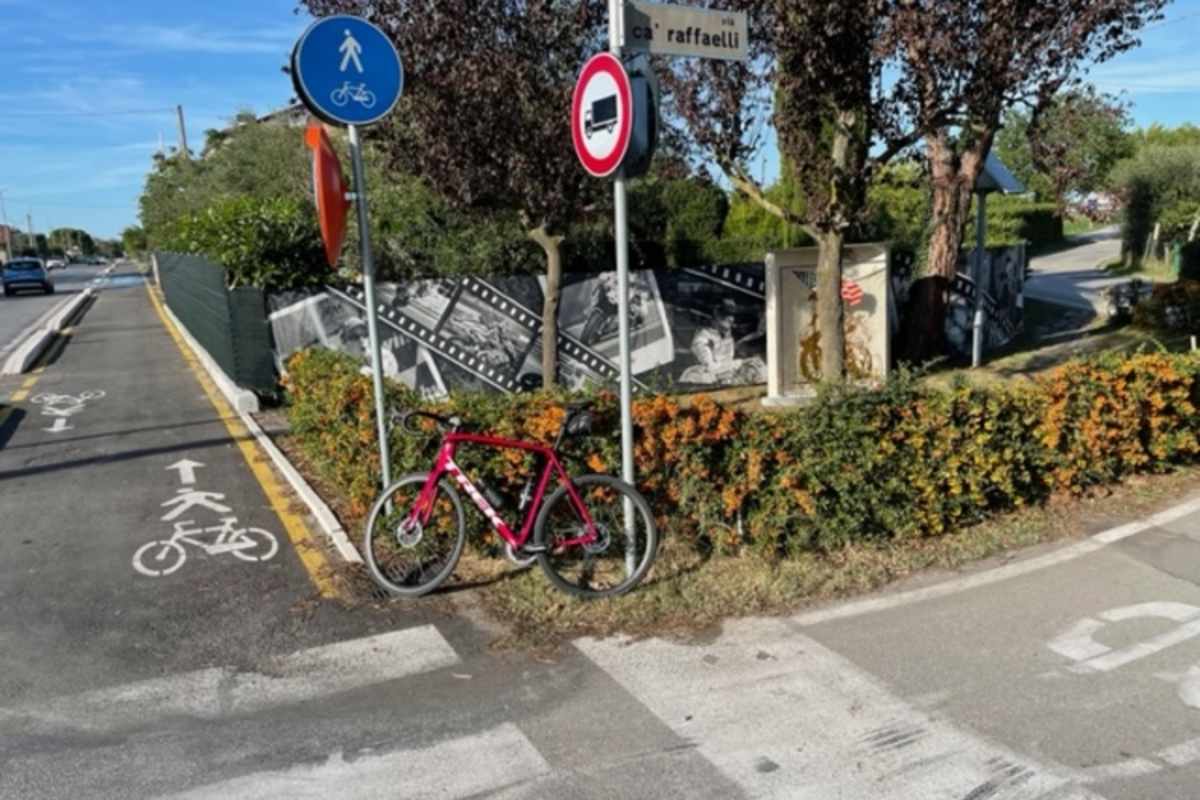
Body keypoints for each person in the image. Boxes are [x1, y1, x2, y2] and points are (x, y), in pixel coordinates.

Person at [680, 298, 766, 385]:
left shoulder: (727, 335)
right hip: (702, 379)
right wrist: (740, 363)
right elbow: (711, 368)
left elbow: (729, 362)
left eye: (733, 315)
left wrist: (747, 363)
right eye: (727, 314)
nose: (731, 319)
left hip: (725, 378)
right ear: (716, 314)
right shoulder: (702, 339)